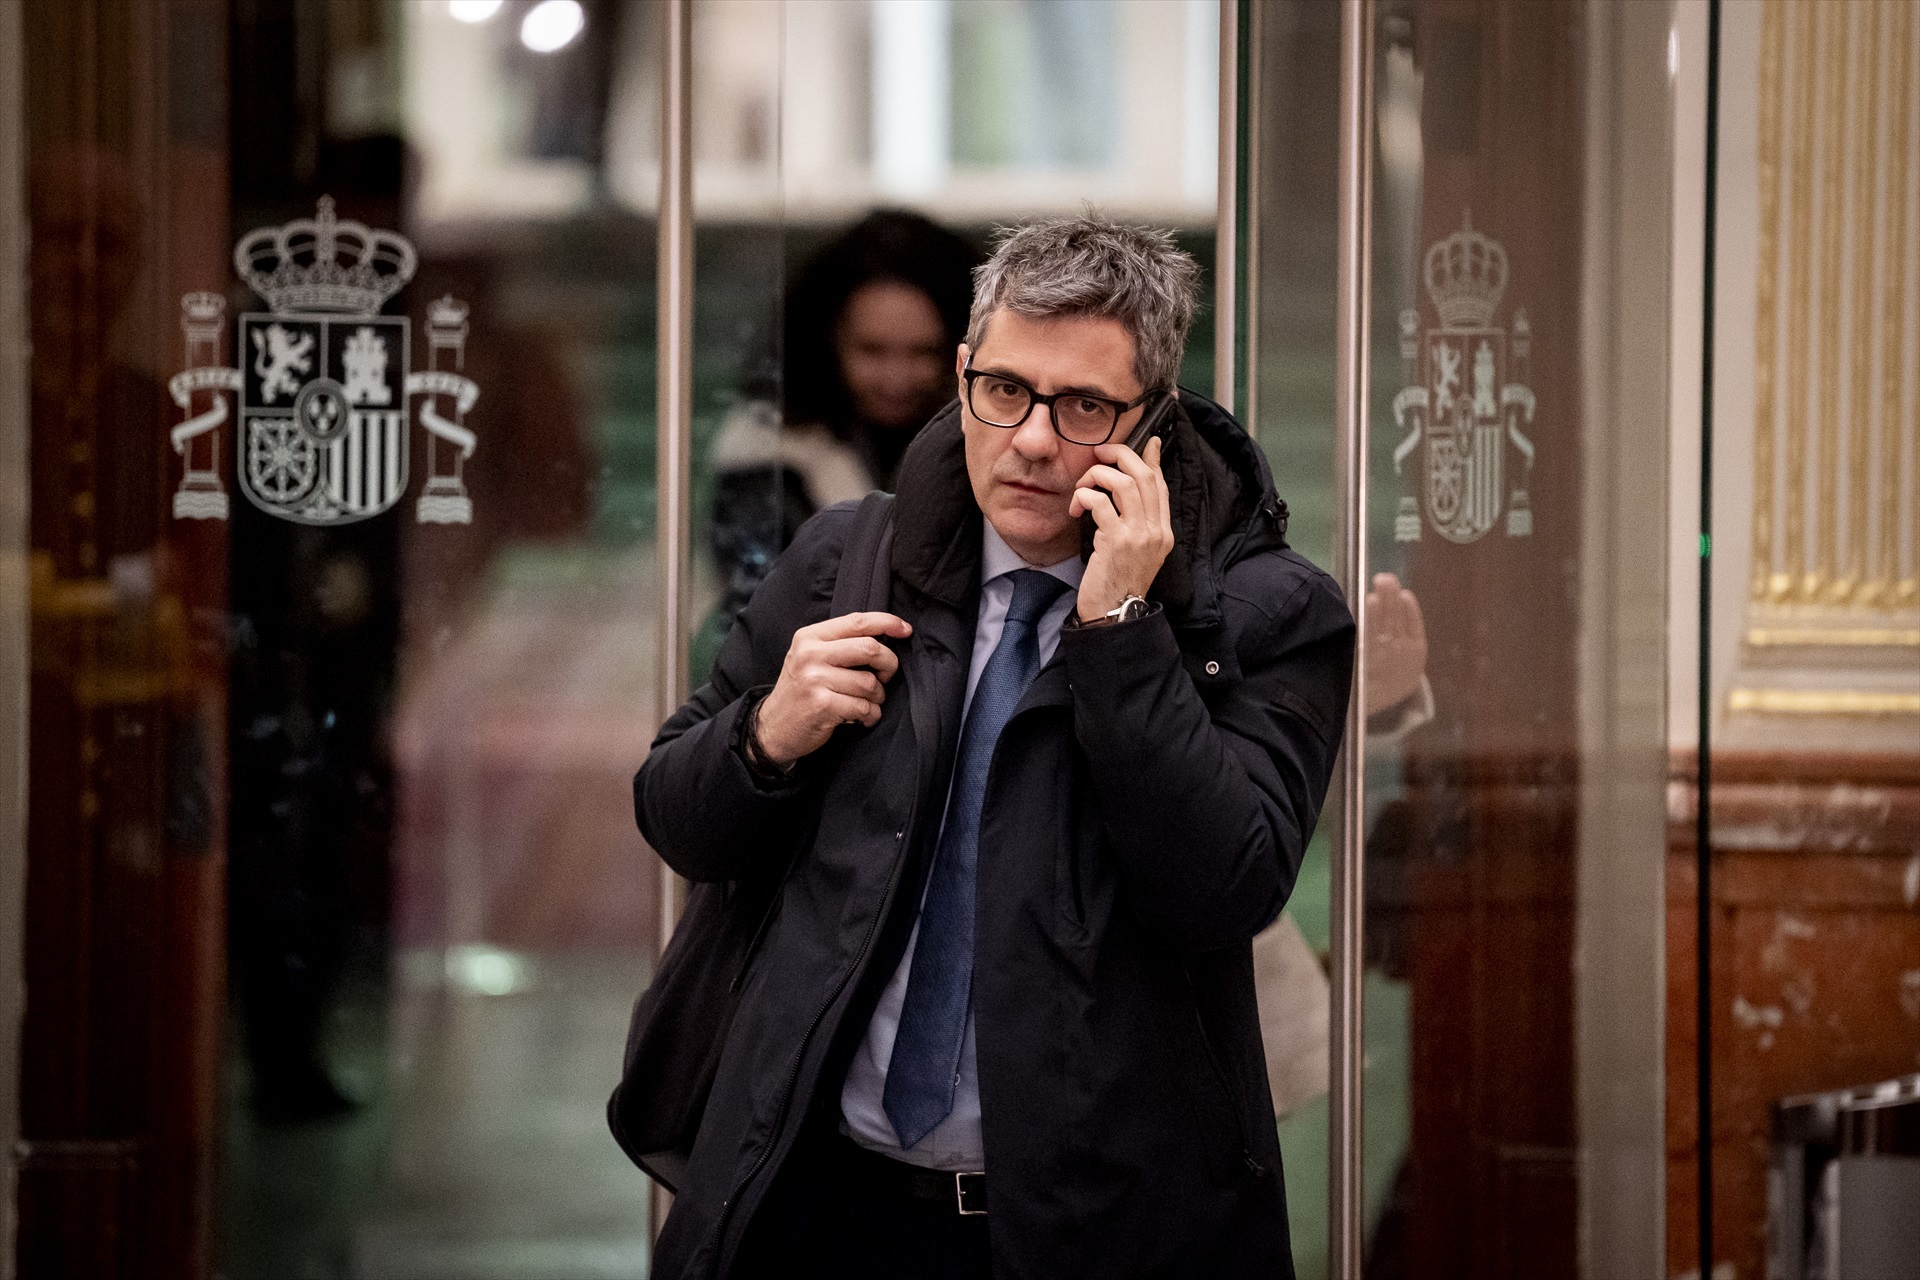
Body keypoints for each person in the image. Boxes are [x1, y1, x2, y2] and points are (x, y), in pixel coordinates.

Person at [633, 216, 1354, 1279]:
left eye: (1084, 406)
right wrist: (765, 737)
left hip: (1088, 1233)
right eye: (1005, 389)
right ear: (964, 374)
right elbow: (674, 814)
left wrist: (1121, 635)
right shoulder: (848, 558)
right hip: (819, 1206)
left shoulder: (1268, 614)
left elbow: (1225, 887)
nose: (1031, 439)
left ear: (1152, 420)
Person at [701, 211, 982, 667]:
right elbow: (757, 621)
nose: (897, 378)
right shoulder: (763, 452)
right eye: (872, 350)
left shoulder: (990, 433)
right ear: (828, 339)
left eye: (924, 352)